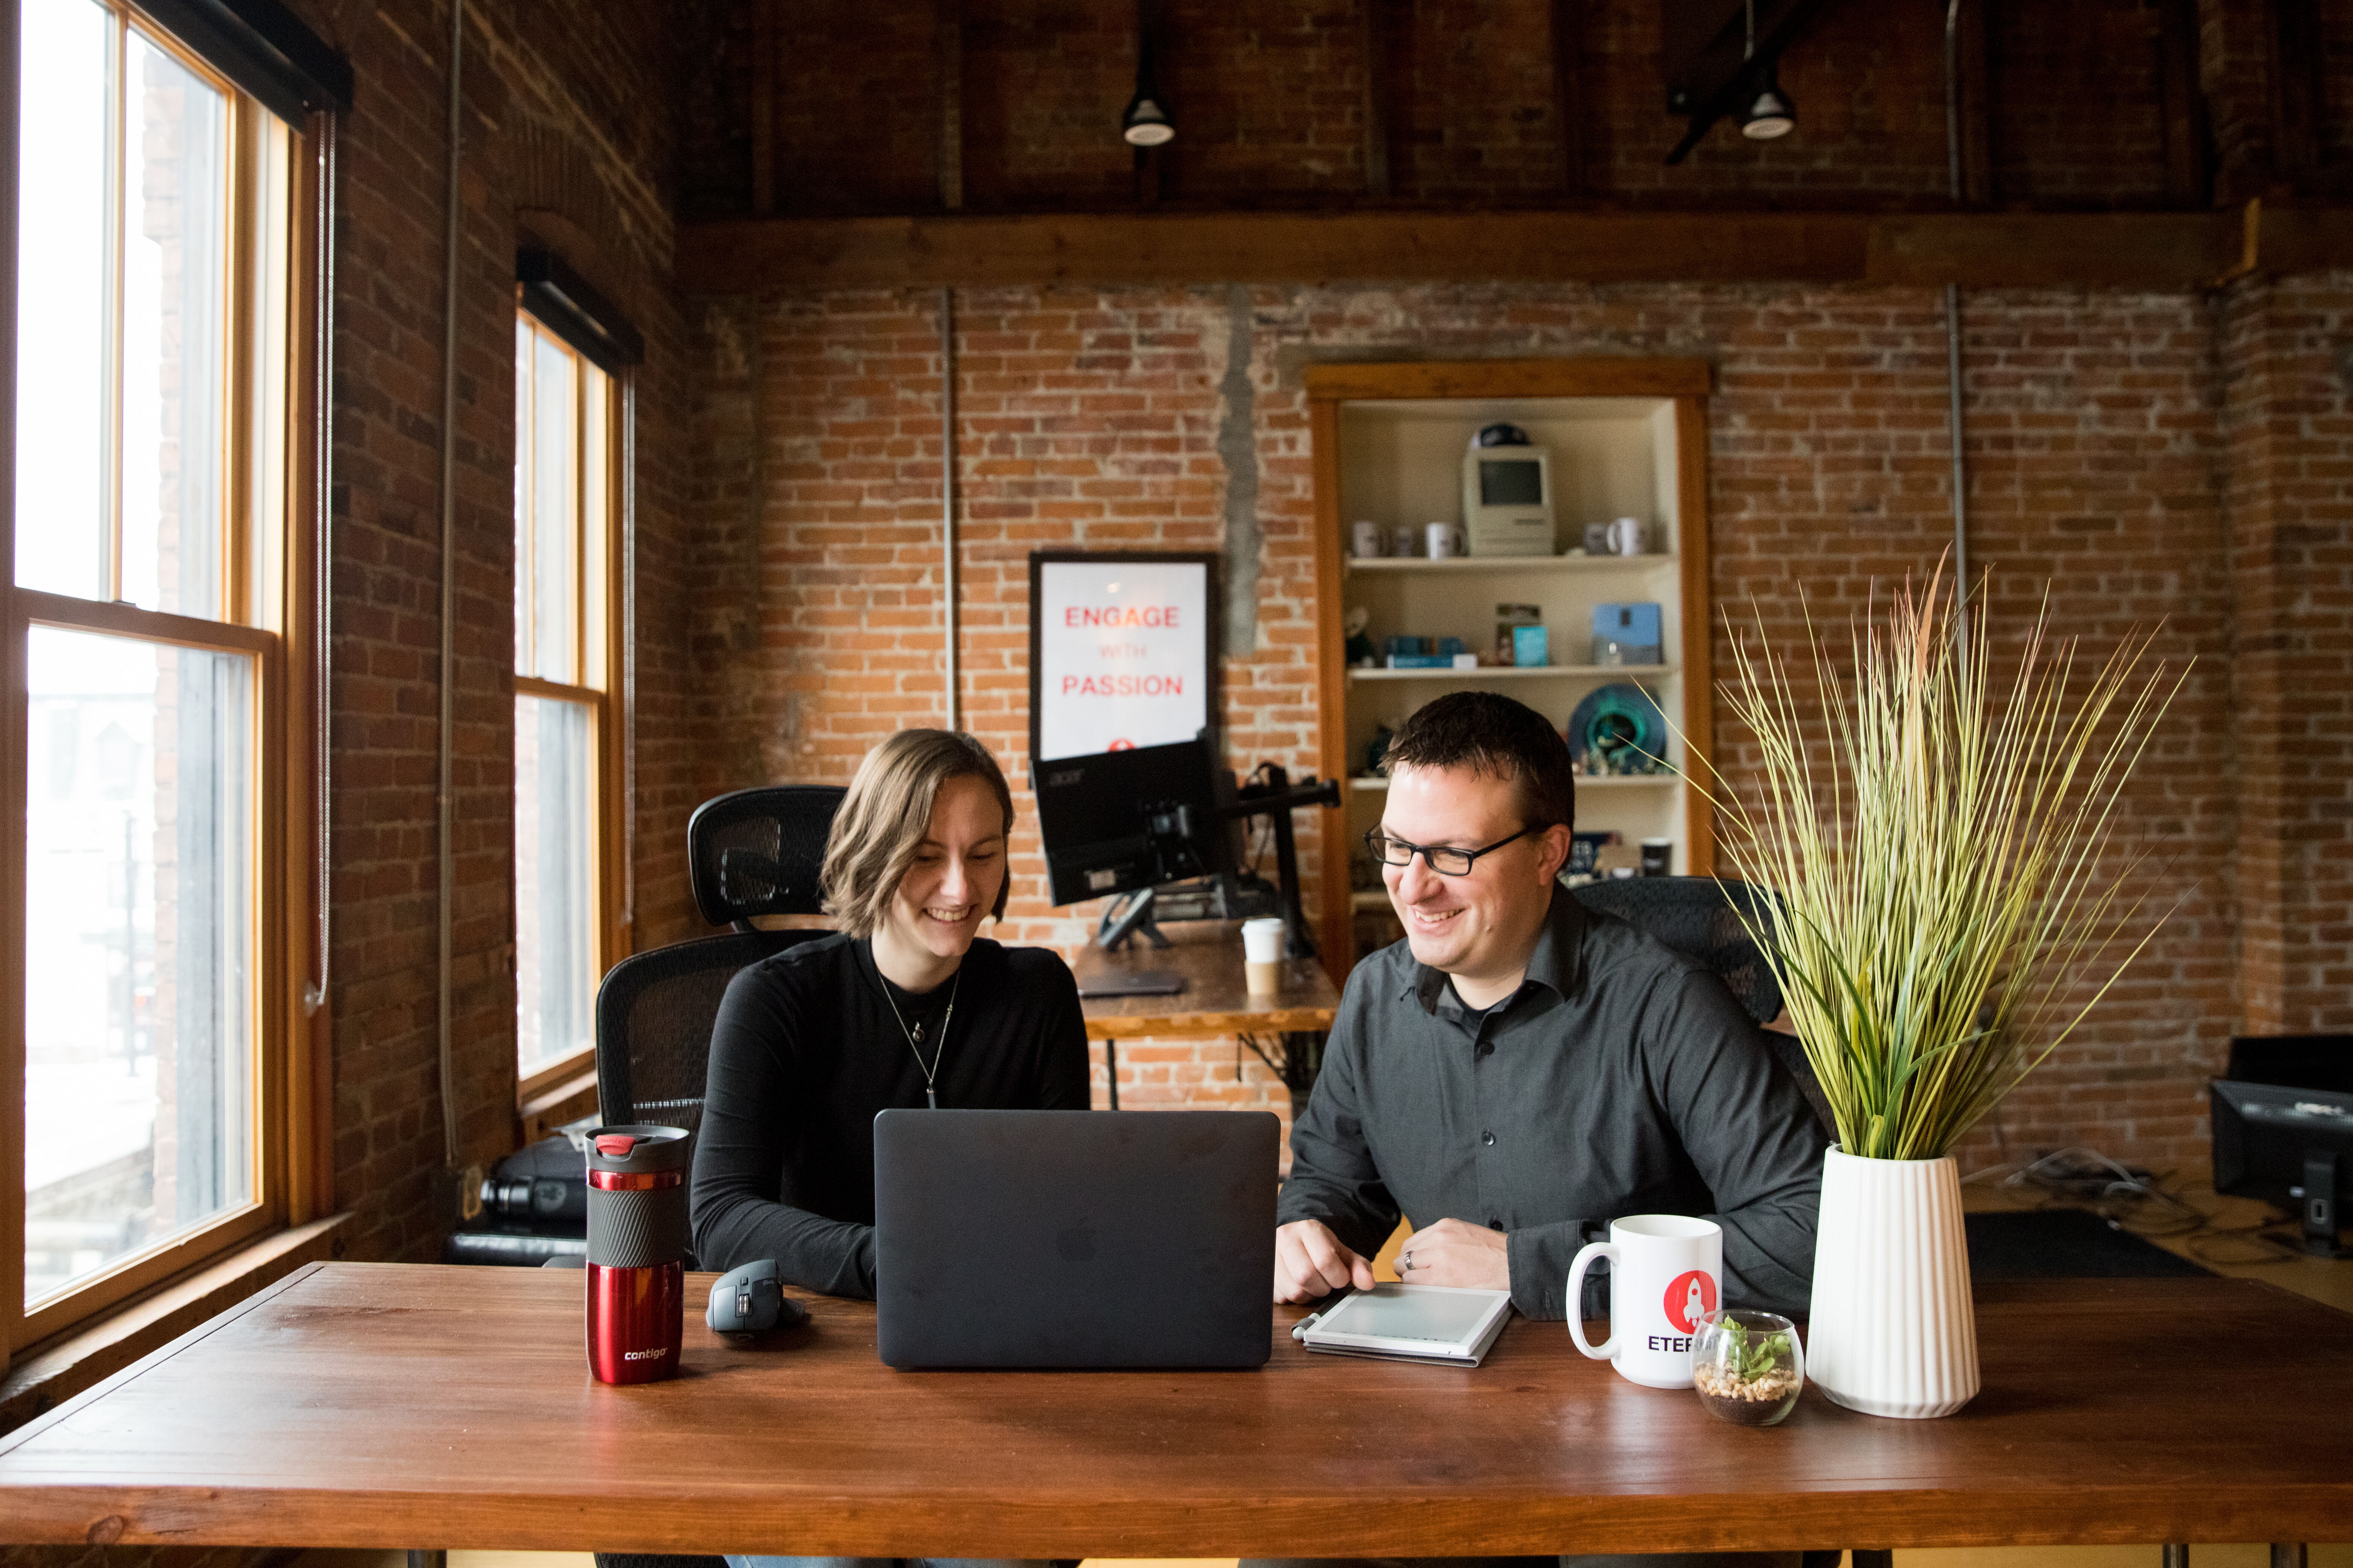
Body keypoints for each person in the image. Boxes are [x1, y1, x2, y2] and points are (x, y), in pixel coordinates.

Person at [1258, 690, 1825, 1568]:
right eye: (1398, 846)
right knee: (1289, 1544)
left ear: (1548, 852)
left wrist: (1535, 1267)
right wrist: (1307, 1232)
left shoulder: (1664, 1002)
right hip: (1446, 1410)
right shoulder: (1374, 996)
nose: (1412, 884)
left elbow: (1810, 1233)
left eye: (1452, 852)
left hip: (1647, 1415)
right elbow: (1336, 1181)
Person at [691, 727, 1091, 1301]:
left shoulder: (1039, 990)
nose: (959, 890)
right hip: (824, 1328)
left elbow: (1068, 1195)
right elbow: (720, 1218)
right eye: (925, 857)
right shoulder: (771, 999)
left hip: (993, 1305)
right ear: (872, 854)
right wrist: (898, 1261)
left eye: (983, 855)